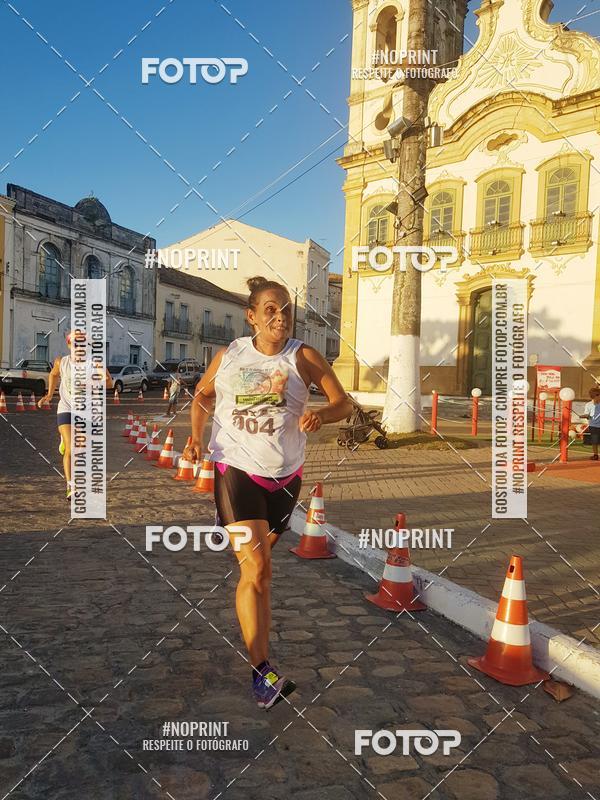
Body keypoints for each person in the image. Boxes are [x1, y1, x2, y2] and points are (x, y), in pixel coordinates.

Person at [184, 276, 352, 710]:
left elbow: (344, 402)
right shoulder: (230, 356)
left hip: (285, 478)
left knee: (261, 572)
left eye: (286, 310)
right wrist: (196, 438)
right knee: (256, 569)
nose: (281, 317)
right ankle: (262, 672)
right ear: (252, 316)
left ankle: (258, 651)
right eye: (271, 310)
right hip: (235, 469)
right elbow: (202, 396)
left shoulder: (304, 356)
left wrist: (322, 415)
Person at [38, 330, 113, 499]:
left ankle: (65, 443)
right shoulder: (62, 362)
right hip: (66, 407)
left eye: (83, 344)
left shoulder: (94, 363)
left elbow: (109, 382)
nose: (79, 347)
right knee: (71, 447)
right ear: (69, 345)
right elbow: (53, 374)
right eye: (75, 344)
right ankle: (71, 486)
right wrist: (49, 395)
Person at [582, 387, 600, 460]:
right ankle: (595, 455)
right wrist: (585, 416)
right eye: (598, 395)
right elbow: (586, 414)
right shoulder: (588, 404)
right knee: (594, 441)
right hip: (593, 425)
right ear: (594, 396)